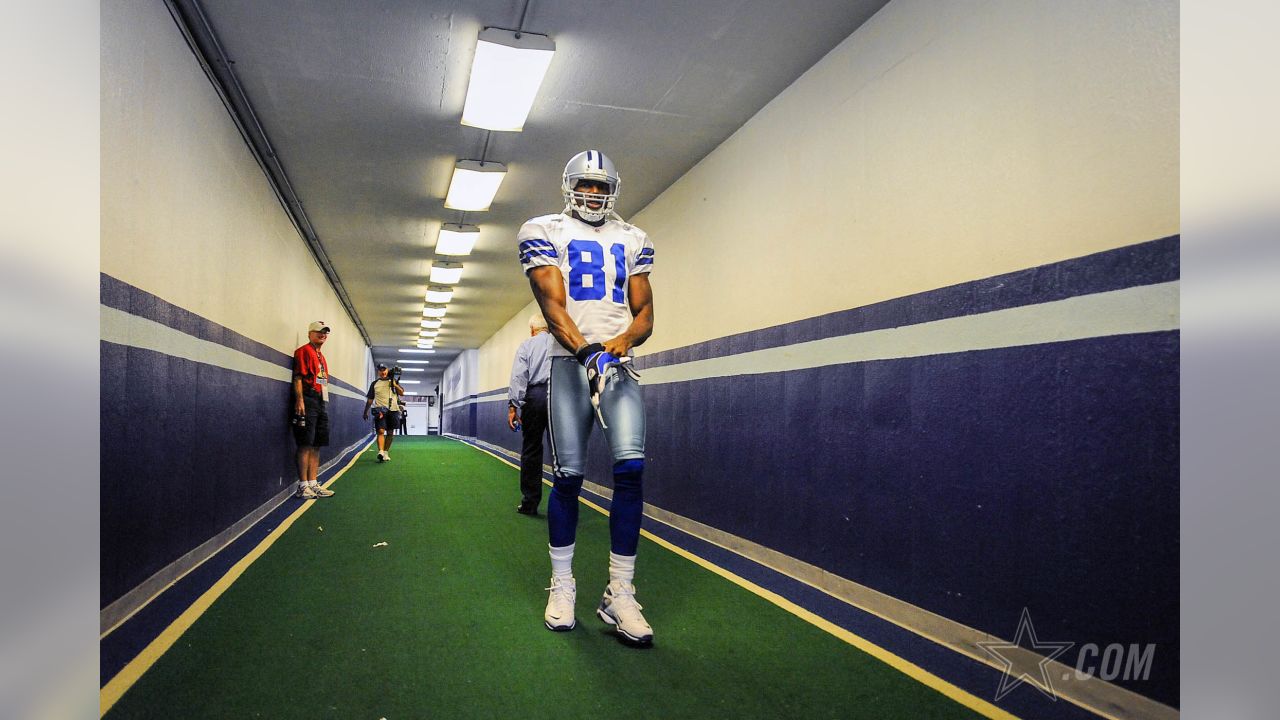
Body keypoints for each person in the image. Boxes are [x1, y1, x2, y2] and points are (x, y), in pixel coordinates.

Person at [517, 150, 656, 646]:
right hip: (568, 365)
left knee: (631, 471)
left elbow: (644, 315)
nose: (593, 194)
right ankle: (563, 583)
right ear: (568, 185)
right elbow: (553, 308)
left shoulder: (633, 237)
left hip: (617, 367)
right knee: (570, 476)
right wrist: (588, 353)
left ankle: (619, 591)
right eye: (585, 184)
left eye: (601, 186)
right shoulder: (544, 229)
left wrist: (620, 345)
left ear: (613, 190)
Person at [508, 314, 554, 516]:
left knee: (531, 450)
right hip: (558, 396)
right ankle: (563, 504)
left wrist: (513, 407)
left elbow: (519, 376)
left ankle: (530, 503)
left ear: (532, 329)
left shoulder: (527, 345)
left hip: (534, 397)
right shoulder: (559, 342)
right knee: (560, 452)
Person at [292, 321, 336, 499]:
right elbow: (298, 377)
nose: (323, 335)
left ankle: (313, 483)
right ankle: (302, 486)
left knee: (317, 443)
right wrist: (300, 400)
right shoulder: (303, 351)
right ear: (310, 333)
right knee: (305, 443)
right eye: (319, 332)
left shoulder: (321, 357)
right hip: (308, 399)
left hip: (321, 401)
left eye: (325, 333)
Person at [363, 364, 404, 462]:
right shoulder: (374, 384)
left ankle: (385, 452)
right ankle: (380, 451)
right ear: (378, 372)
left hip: (393, 410)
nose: (382, 372)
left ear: (387, 370)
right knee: (380, 431)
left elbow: (402, 393)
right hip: (380, 410)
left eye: (384, 370)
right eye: (380, 370)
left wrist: (395, 385)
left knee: (390, 432)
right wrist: (365, 411)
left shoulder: (393, 381)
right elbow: (370, 399)